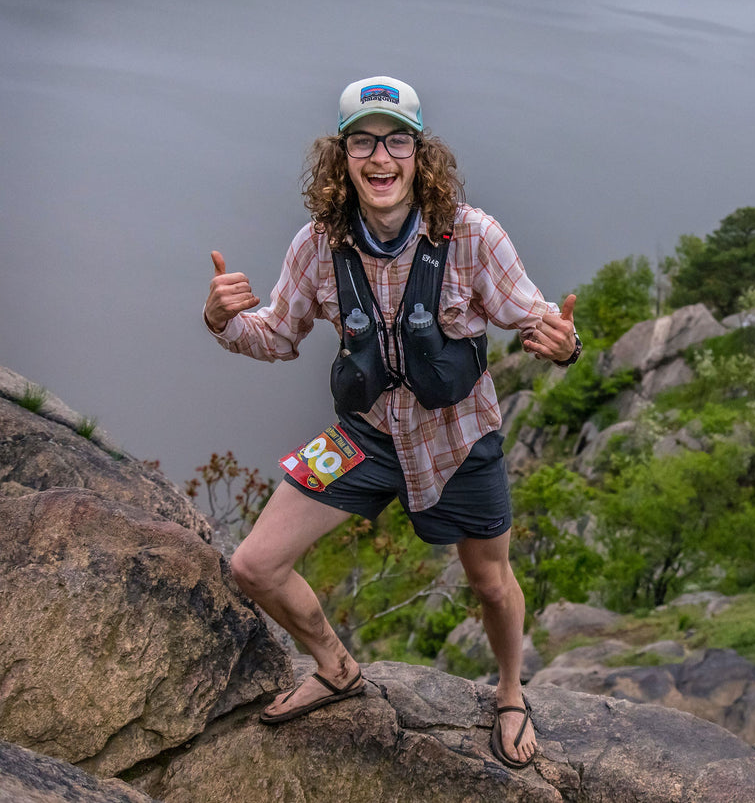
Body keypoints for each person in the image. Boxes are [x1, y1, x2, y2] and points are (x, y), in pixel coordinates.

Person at [202, 76, 579, 770]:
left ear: (419, 153)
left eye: (397, 140)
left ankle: (509, 692)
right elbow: (276, 335)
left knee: (490, 581)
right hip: (365, 434)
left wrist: (563, 343)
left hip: (459, 438)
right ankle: (336, 668)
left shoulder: (472, 235)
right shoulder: (318, 245)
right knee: (255, 564)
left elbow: (537, 316)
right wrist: (221, 319)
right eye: (363, 142)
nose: (381, 157)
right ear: (341, 156)